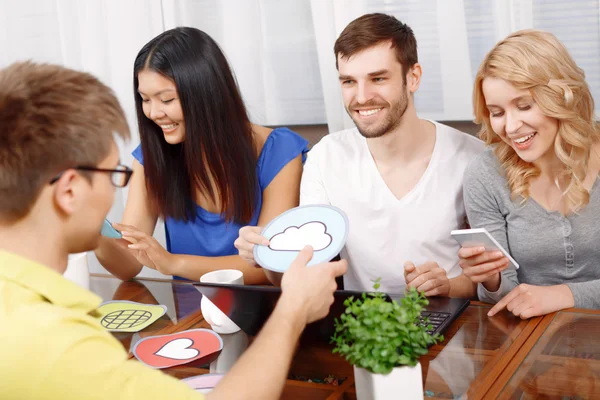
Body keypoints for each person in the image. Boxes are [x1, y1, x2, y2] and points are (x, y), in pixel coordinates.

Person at [0, 61, 347, 400]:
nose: (115, 192)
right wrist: (293, 310)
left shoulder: (38, 322)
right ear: (70, 191)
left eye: (166, 99)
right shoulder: (63, 347)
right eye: (113, 175)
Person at [235, 13, 484, 296]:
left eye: (378, 78)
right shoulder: (325, 158)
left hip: (451, 324)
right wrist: (266, 256)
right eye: (349, 82)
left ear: (413, 77)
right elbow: (301, 277)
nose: (362, 97)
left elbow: (491, 278)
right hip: (365, 328)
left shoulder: (472, 157)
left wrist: (447, 287)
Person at [95, 27, 308, 284]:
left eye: (166, 99)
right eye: (145, 99)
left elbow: (270, 264)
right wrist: (91, 229)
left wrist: (173, 263)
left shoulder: (279, 153)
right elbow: (128, 264)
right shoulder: (151, 159)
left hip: (261, 313)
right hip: (188, 316)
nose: (153, 113)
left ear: (206, 94)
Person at [458, 29, 600, 318]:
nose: (510, 127)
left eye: (524, 106)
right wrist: (491, 277)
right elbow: (505, 297)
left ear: (561, 97)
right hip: (528, 337)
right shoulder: (485, 175)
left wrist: (564, 295)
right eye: (497, 112)